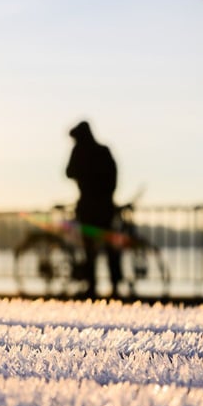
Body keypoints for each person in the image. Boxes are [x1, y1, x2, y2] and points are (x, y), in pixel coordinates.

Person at [66, 121, 123, 298]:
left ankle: (92, 287)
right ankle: (115, 287)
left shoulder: (79, 151)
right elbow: (114, 177)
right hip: (105, 207)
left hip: (88, 208)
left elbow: (69, 172)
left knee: (90, 249)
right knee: (109, 248)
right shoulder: (103, 151)